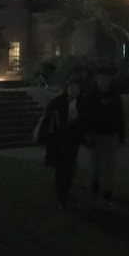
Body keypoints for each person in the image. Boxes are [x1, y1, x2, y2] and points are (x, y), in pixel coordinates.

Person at [38, 78, 85, 208]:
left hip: (72, 141)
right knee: (60, 168)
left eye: (77, 88)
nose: (74, 90)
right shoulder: (58, 102)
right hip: (58, 141)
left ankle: (66, 191)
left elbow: (86, 121)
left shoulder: (82, 103)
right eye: (71, 87)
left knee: (70, 168)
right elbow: (48, 119)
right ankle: (61, 194)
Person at [83, 66, 125, 202]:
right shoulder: (91, 96)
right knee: (96, 162)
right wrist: (88, 133)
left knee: (110, 163)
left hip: (111, 133)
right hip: (96, 133)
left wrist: (121, 133)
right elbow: (86, 116)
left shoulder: (114, 96)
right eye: (102, 78)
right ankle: (96, 183)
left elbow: (120, 116)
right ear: (97, 79)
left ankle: (107, 189)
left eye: (107, 78)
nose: (105, 81)